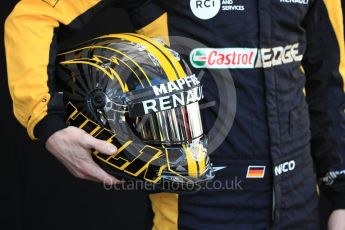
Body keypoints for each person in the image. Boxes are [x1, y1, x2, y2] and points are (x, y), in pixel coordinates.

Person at [4, 0, 345, 229]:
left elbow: (329, 79)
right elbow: (33, 14)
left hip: (301, 202)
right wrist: (46, 121)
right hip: (196, 207)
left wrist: (341, 194)